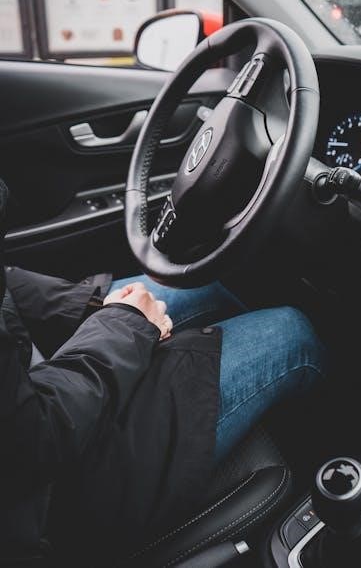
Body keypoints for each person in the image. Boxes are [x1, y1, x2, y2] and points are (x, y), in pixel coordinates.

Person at [0, 178, 325, 566]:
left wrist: (91, 306)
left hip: (38, 391)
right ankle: (330, 450)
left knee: (208, 287)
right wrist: (125, 323)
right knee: (292, 333)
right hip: (49, 500)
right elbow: (32, 435)